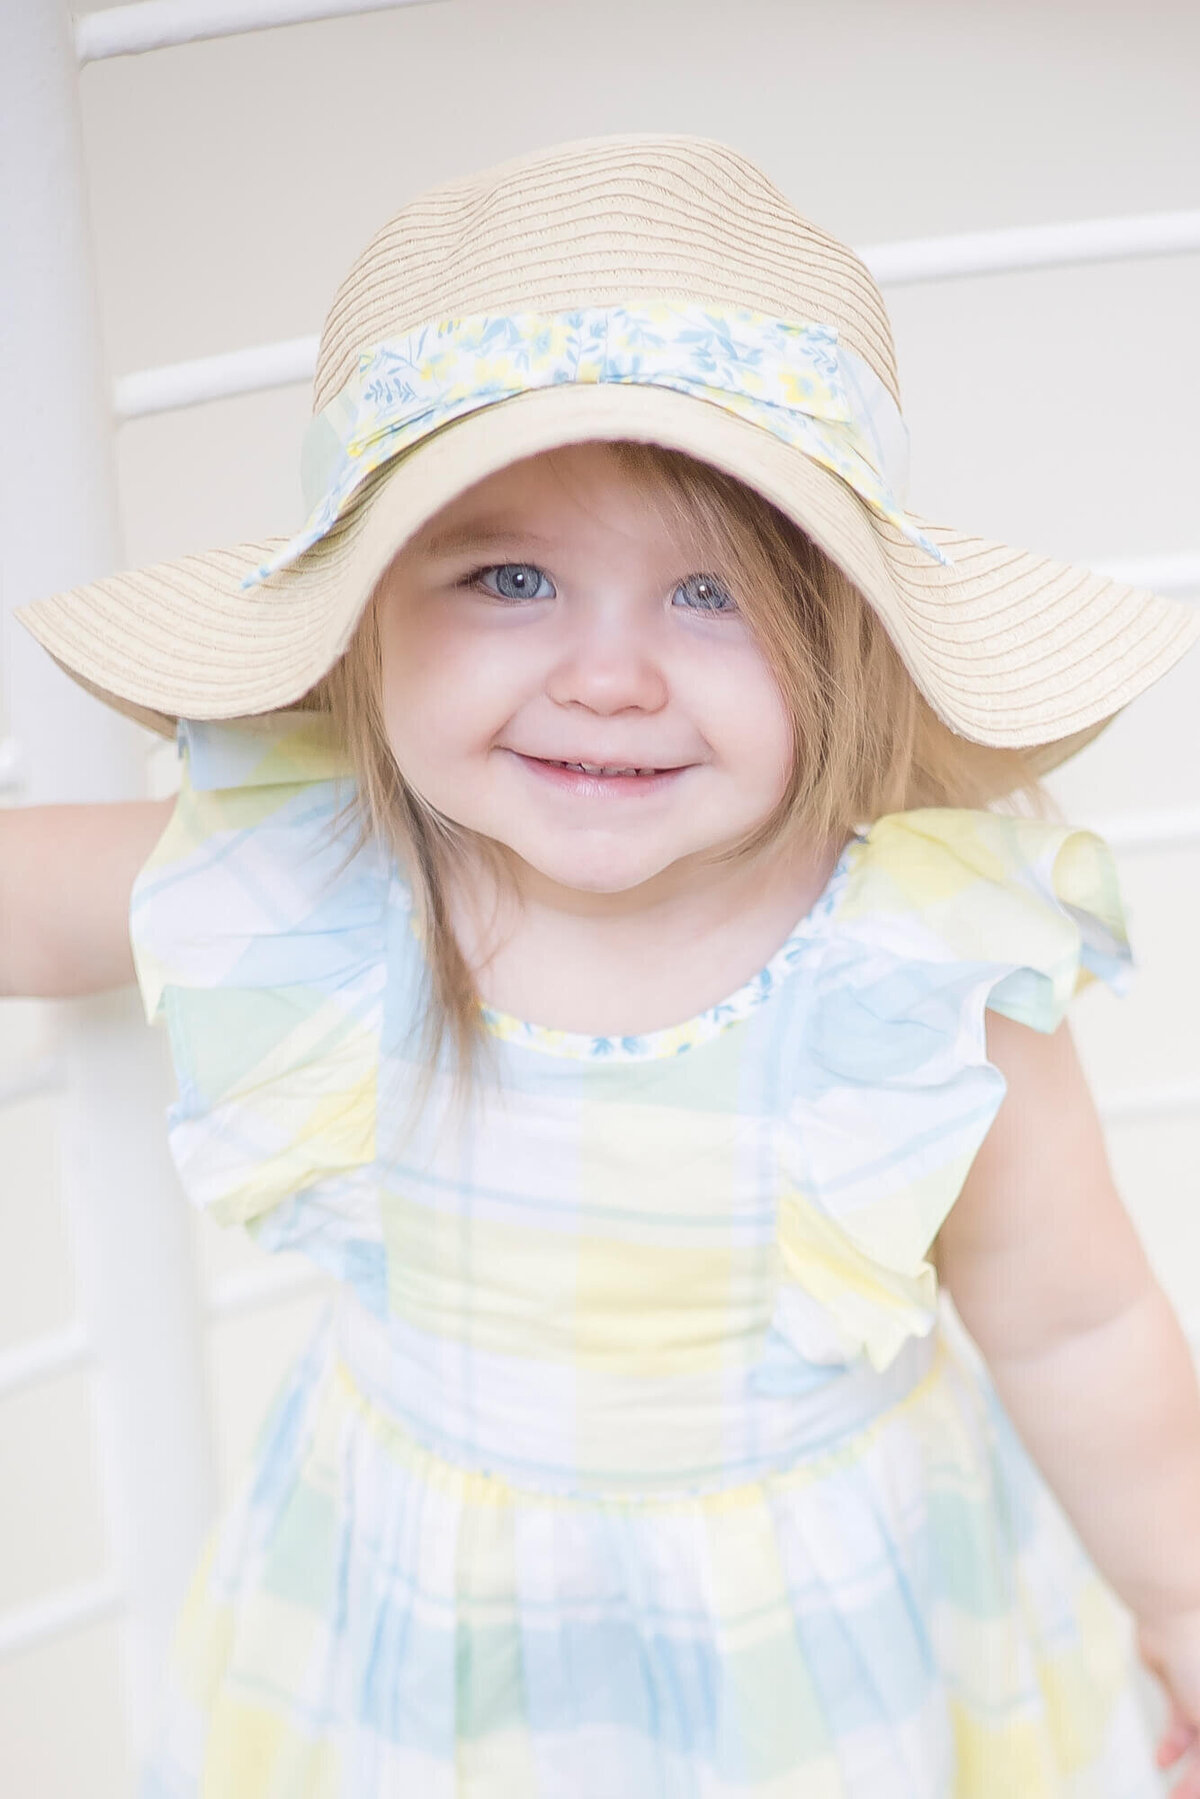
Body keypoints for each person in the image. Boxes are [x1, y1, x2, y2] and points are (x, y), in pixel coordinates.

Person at [5, 131, 1200, 1798]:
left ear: (842, 644)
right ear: (361, 623)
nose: (610, 676)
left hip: (822, 1628)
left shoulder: (910, 961)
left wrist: (1181, 1609)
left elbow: (1078, 1327)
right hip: (419, 1628)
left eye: (712, 593)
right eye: (510, 576)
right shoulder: (318, 886)